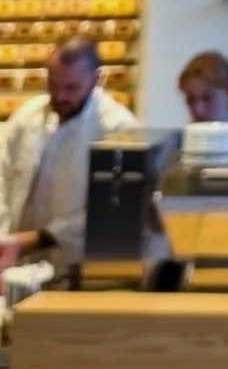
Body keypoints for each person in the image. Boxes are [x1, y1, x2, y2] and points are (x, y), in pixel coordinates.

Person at [0, 36, 137, 269]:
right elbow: (3, 180)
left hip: (79, 265)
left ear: (96, 79)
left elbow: (110, 209)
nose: (60, 96)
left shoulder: (118, 129)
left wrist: (40, 238)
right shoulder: (27, 117)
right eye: (53, 85)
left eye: (71, 88)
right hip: (17, 262)